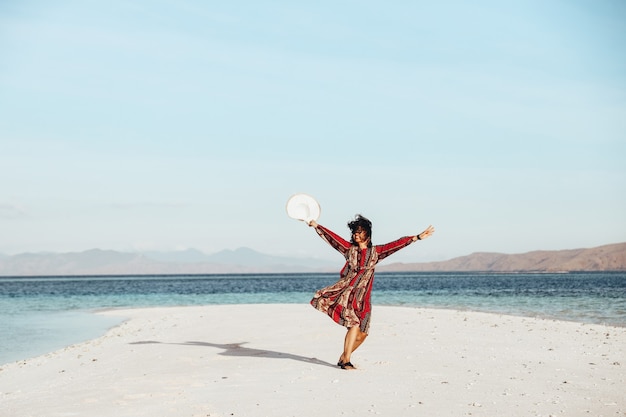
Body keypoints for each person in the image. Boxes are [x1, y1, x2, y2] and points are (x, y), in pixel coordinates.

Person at [307, 214, 434, 370]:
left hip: (364, 298)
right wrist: (317, 227)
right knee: (353, 324)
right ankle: (346, 361)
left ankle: (343, 357)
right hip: (347, 294)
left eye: (359, 231)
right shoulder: (349, 249)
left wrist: (417, 237)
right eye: (354, 232)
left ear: (367, 233)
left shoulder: (376, 252)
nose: (356, 235)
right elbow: (333, 239)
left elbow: (396, 244)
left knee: (363, 334)